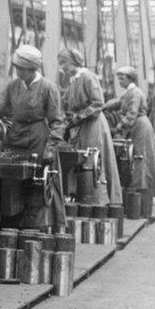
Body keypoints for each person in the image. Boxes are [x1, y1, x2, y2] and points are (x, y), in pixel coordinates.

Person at [0, 44, 65, 229]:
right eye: (17, 68)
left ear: (32, 69)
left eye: (21, 69)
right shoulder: (13, 85)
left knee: (36, 188)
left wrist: (50, 149)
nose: (18, 72)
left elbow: (57, 122)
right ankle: (11, 228)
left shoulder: (48, 87)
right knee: (11, 186)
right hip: (14, 140)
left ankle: (35, 230)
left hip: (39, 141)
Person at [58, 48, 122, 205]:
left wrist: (78, 118)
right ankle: (82, 197)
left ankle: (96, 199)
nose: (62, 67)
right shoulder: (73, 80)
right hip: (81, 125)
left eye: (64, 62)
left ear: (73, 62)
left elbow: (97, 103)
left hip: (92, 125)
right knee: (82, 159)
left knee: (92, 159)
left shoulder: (87, 76)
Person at [105, 66, 155, 212]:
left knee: (140, 158)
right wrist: (102, 107)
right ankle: (137, 189)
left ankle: (140, 193)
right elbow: (118, 102)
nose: (120, 81)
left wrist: (117, 128)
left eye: (122, 78)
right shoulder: (129, 92)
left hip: (141, 127)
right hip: (135, 127)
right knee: (136, 159)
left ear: (130, 79)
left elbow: (131, 114)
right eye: (119, 78)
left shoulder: (135, 93)